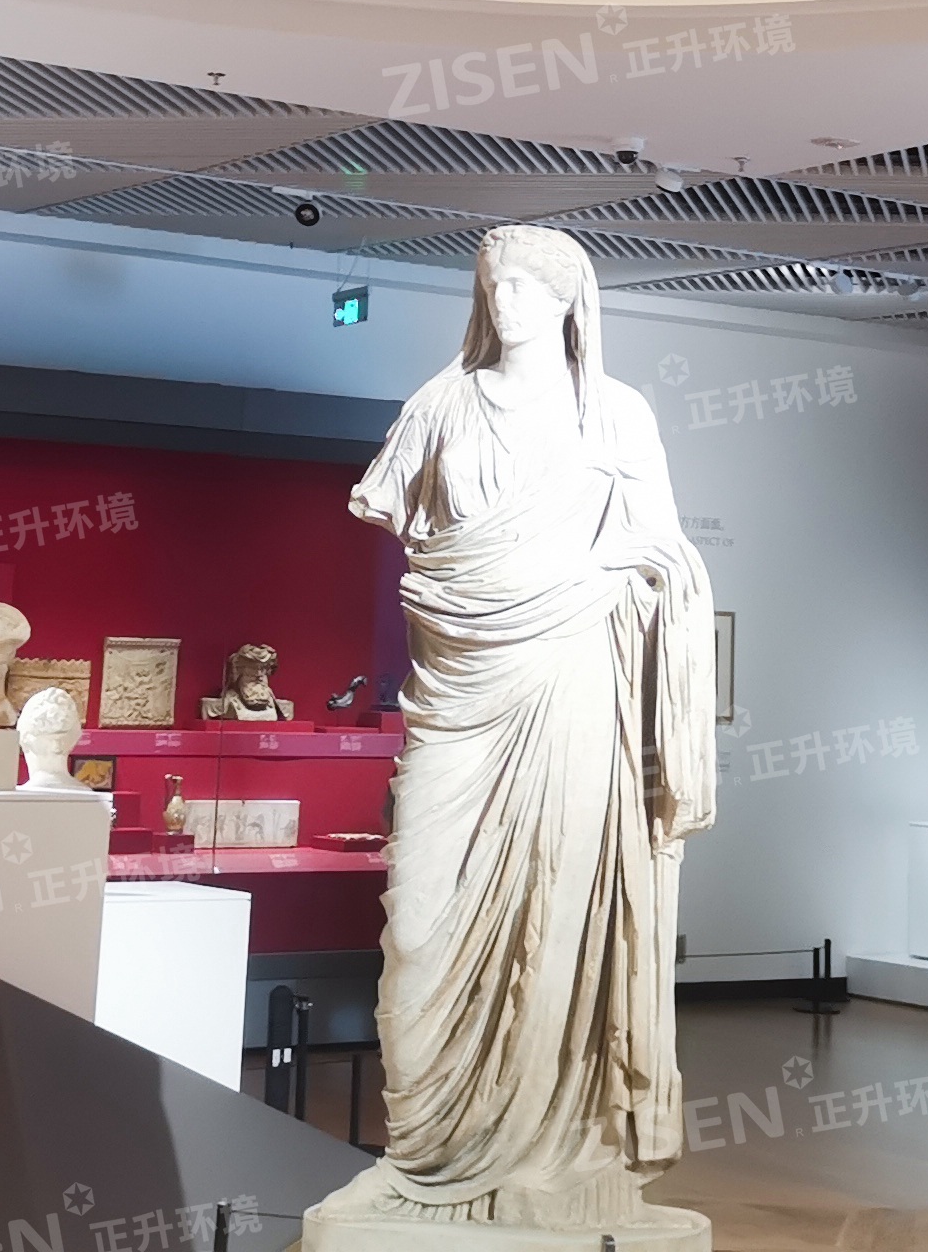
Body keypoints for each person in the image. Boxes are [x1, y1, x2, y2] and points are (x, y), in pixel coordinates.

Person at [309, 226, 716, 1237]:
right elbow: (387, 503)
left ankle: (553, 1155)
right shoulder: (441, 404)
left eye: (530, 286)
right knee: (418, 931)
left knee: (559, 908)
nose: (509, 301)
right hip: (458, 693)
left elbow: (666, 553)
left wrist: (629, 578)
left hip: (573, 684)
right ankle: (425, 1154)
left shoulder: (615, 415)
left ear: (573, 301)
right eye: (496, 284)